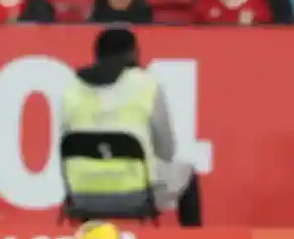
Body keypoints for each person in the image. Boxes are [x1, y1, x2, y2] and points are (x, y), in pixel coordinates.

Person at [60, 27, 202, 227]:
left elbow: (66, 146)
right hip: (134, 192)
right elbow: (167, 151)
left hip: (81, 193)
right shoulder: (146, 85)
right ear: (134, 53)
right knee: (187, 171)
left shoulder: (72, 88)